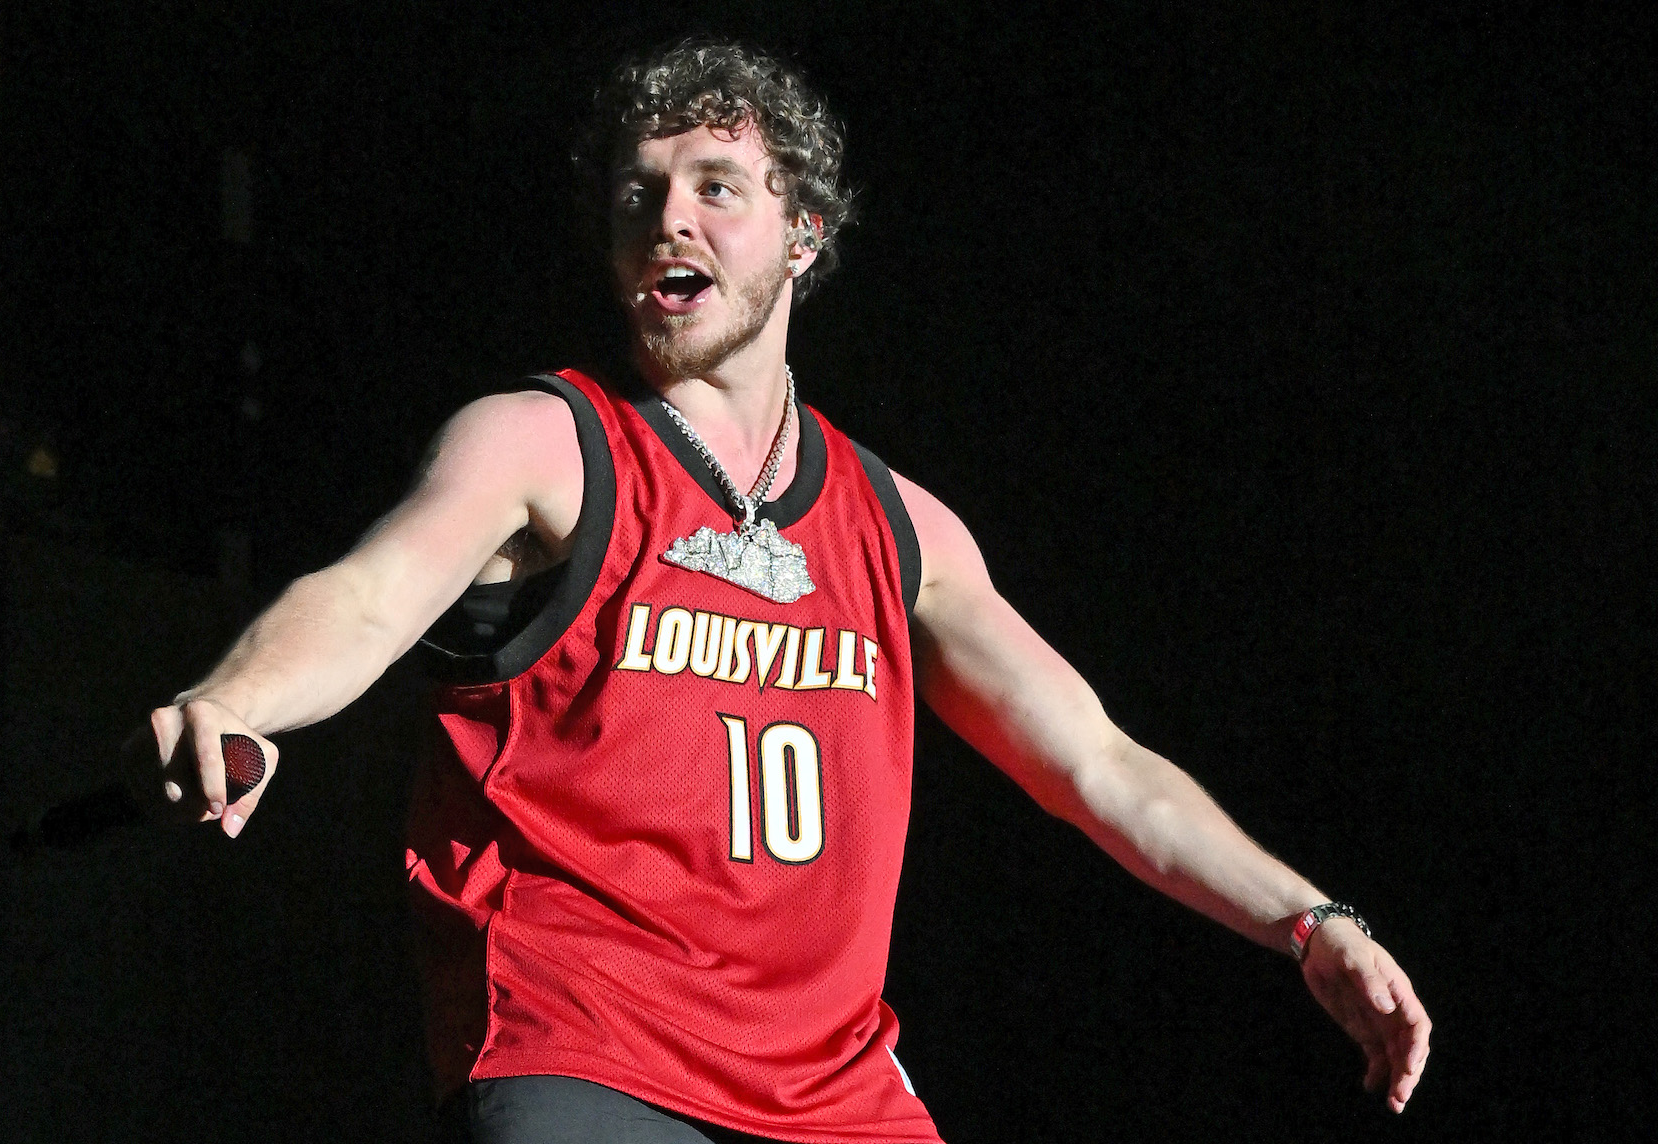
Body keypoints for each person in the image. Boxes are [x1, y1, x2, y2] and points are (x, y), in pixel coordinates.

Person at [148, 39, 1430, 1144]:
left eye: (717, 186)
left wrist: (1310, 922)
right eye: (640, 193)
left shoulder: (895, 524)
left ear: (804, 234)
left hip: (828, 1085)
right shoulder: (545, 443)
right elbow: (372, 594)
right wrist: (245, 696)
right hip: (591, 1042)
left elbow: (1098, 762)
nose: (670, 217)